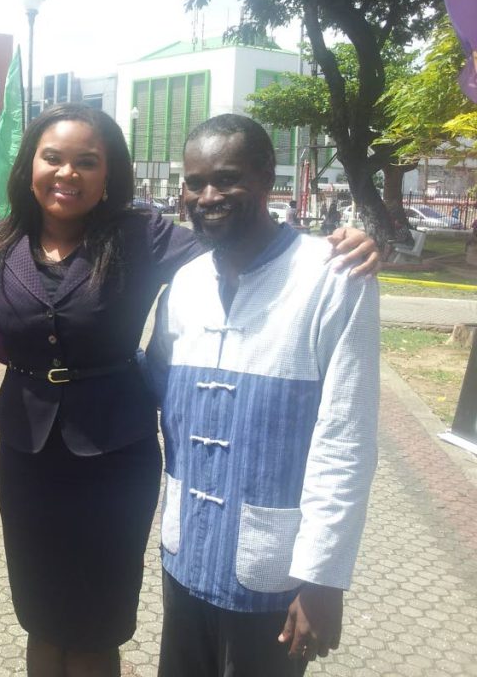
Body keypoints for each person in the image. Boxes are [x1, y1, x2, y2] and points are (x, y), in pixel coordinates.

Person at [0, 105, 377, 677]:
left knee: (95, 623)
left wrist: (328, 245)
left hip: (114, 454)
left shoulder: (142, 234)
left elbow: (234, 234)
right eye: (53, 158)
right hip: (27, 457)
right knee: (40, 615)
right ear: (29, 165)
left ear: (109, 174)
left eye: (88, 162)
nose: (68, 173)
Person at [147, 114, 379, 677]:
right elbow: (156, 392)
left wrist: (323, 577)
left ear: (265, 178)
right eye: (194, 181)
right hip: (188, 555)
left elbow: (346, 439)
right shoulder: (186, 282)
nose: (207, 196)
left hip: (273, 571)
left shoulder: (334, 276)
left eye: (226, 179)